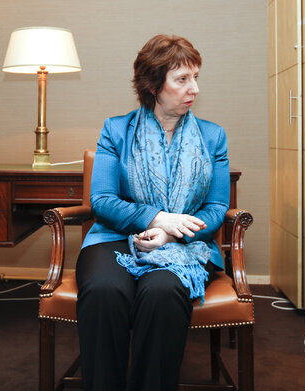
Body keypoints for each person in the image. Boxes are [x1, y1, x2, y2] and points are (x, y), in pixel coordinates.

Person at [76, 34, 230, 391]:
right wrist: (159, 218)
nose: (193, 88)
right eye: (182, 79)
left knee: (162, 293)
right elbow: (102, 200)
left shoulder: (213, 137)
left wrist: (172, 232)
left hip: (186, 246)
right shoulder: (116, 130)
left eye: (196, 77)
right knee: (103, 290)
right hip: (115, 238)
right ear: (153, 85)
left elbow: (216, 207)